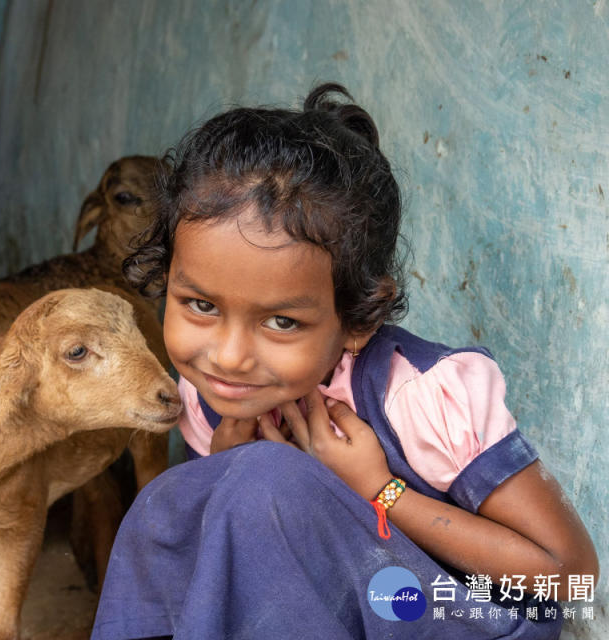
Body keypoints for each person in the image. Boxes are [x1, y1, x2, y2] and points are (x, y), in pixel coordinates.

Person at [90, 83, 598, 640]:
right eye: (201, 306)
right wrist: (220, 466)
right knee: (173, 501)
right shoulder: (207, 397)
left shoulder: (417, 396)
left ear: (358, 322)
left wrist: (381, 493)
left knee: (264, 484)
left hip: (457, 621)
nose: (229, 356)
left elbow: (570, 577)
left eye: (281, 321)